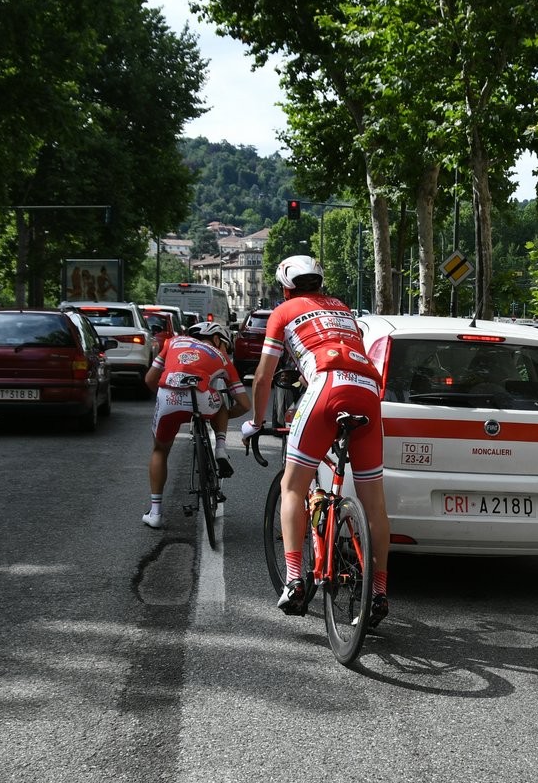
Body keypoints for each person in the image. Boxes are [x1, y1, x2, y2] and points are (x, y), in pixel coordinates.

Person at [238, 256, 392, 626]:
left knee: (293, 486)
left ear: (284, 287)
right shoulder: (342, 309)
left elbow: (263, 377)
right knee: (374, 504)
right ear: (321, 284)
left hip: (326, 387)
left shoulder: (283, 311)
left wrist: (256, 423)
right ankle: (379, 591)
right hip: (368, 392)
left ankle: (294, 580)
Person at [142, 321, 251, 529]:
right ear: (217, 339)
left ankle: (155, 513)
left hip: (168, 396)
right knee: (218, 400)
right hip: (203, 399)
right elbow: (245, 404)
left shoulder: (172, 342)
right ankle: (220, 449)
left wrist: (165, 395)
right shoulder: (221, 357)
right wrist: (224, 415)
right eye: (226, 345)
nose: (225, 350)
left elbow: (149, 379)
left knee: (160, 450)